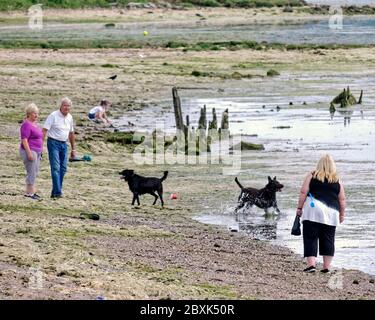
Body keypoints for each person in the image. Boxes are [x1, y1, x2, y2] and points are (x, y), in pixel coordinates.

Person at [296, 154, 346, 273]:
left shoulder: (312, 175)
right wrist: (342, 214)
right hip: (331, 212)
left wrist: (299, 207)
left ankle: (311, 265)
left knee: (310, 237)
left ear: (319, 164)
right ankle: (326, 267)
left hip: (313, 210)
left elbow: (303, 192)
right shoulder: (336, 179)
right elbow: (342, 199)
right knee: (328, 238)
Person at [43, 97, 76, 199]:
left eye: (68, 106)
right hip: (53, 143)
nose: (66, 107)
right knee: (56, 168)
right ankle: (58, 192)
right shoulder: (53, 115)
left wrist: (73, 149)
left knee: (63, 168)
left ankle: (55, 192)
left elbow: (71, 133)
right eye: (65, 105)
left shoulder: (70, 117)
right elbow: (44, 130)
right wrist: (40, 146)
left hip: (64, 144)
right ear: (60, 106)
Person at [19, 103, 43, 200]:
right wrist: (29, 153)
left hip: (37, 151)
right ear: (29, 114)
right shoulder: (26, 124)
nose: (36, 115)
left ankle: (30, 191)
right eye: (34, 113)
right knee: (31, 171)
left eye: (37, 113)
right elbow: (24, 140)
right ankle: (30, 193)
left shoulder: (35, 124)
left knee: (35, 171)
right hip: (30, 150)